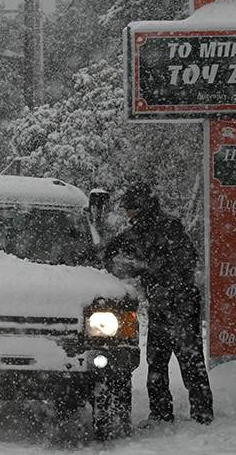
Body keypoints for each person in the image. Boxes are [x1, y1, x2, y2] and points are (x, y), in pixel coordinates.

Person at [103, 182, 213, 425]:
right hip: (167, 303)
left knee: (184, 359)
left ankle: (194, 412)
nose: (128, 213)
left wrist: (151, 271)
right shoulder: (141, 231)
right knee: (162, 361)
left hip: (180, 303)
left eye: (131, 208)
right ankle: (172, 412)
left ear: (142, 207)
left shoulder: (167, 228)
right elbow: (109, 250)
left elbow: (185, 261)